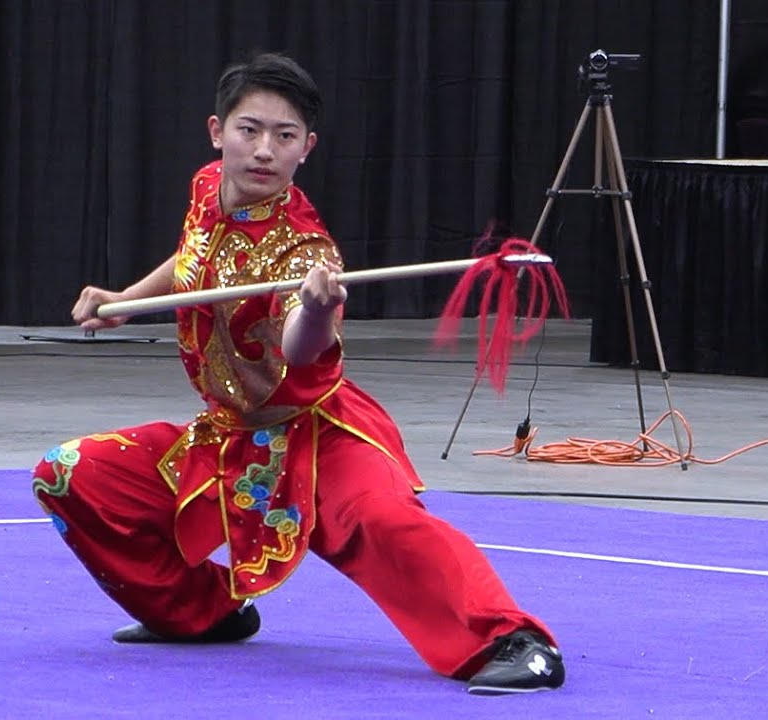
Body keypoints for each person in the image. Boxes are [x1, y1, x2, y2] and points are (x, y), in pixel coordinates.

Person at [30, 52, 565, 695]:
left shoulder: (305, 250)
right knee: (70, 474)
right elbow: (196, 259)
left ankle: (515, 640)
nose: (262, 151)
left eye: (283, 137)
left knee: (385, 525)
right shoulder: (207, 187)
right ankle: (200, 615)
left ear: (306, 148)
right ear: (216, 131)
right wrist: (125, 299)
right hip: (230, 438)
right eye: (248, 130)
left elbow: (301, 349)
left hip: (317, 434)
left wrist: (315, 308)